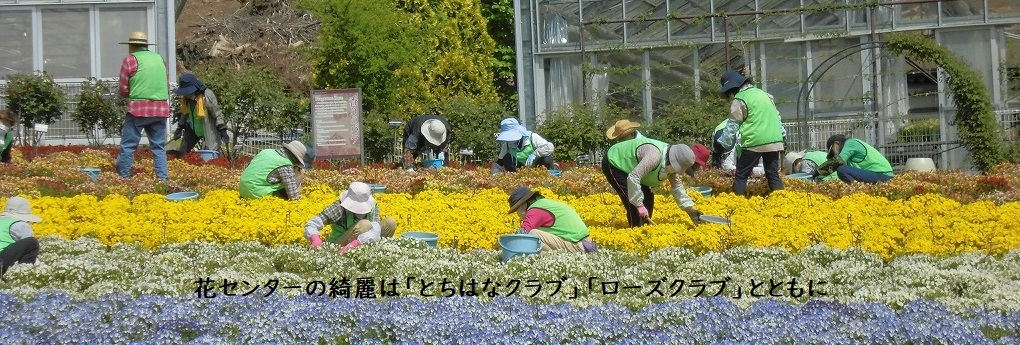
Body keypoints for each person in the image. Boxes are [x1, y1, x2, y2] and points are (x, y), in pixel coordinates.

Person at [602, 133, 706, 227]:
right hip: (614, 162)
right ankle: (636, 232)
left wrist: (690, 210)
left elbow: (677, 188)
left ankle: (645, 229)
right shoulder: (654, 157)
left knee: (647, 197)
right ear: (672, 161)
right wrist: (639, 205)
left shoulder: (671, 164)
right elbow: (633, 178)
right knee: (633, 203)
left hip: (633, 169)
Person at [716, 69, 785, 195]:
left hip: (754, 141)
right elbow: (777, 118)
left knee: (741, 175)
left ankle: (737, 204)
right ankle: (782, 202)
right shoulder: (765, 95)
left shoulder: (740, 99)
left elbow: (732, 125)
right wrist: (782, 135)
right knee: (773, 174)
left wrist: (722, 144)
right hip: (774, 140)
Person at [116, 31, 171, 180]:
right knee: (159, 148)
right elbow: (165, 84)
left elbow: (123, 88)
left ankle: (123, 178)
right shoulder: (160, 59)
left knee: (128, 146)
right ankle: (163, 179)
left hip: (138, 109)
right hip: (160, 108)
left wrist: (129, 93)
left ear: (132, 46)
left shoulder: (130, 60)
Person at [304, 182, 397, 253]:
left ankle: (375, 252)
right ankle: (345, 254)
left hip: (363, 241)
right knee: (365, 224)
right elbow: (313, 223)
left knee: (390, 222)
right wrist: (315, 238)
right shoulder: (340, 207)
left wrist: (357, 243)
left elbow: (375, 230)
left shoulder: (373, 206)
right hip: (339, 244)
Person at [507, 187, 596, 253]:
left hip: (577, 244)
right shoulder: (543, 204)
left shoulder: (535, 209)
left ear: (524, 204)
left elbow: (522, 234)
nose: (518, 214)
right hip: (584, 242)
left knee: (532, 234)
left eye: (517, 209)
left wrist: (507, 247)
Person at [172, 73, 229, 158]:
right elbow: (185, 113)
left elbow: (217, 113)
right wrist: (180, 128)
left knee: (210, 155)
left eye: (187, 91)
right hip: (193, 129)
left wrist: (222, 129)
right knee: (183, 153)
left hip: (208, 128)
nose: (185, 94)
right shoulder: (186, 100)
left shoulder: (207, 95)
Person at [239, 140, 312, 200]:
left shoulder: (266, 151)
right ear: (295, 158)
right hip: (255, 194)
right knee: (298, 173)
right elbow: (293, 196)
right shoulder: (285, 165)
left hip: (242, 190)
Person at [818, 134, 894, 184]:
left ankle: (857, 191)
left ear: (837, 143)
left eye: (832, 151)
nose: (833, 155)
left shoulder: (851, 143)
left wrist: (817, 172)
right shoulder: (849, 154)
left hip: (882, 174)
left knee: (842, 169)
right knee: (843, 169)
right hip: (877, 174)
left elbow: (838, 162)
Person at [0, 197, 41, 276]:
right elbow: (30, 251)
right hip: (1, 260)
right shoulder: (20, 224)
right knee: (32, 243)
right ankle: (22, 273)